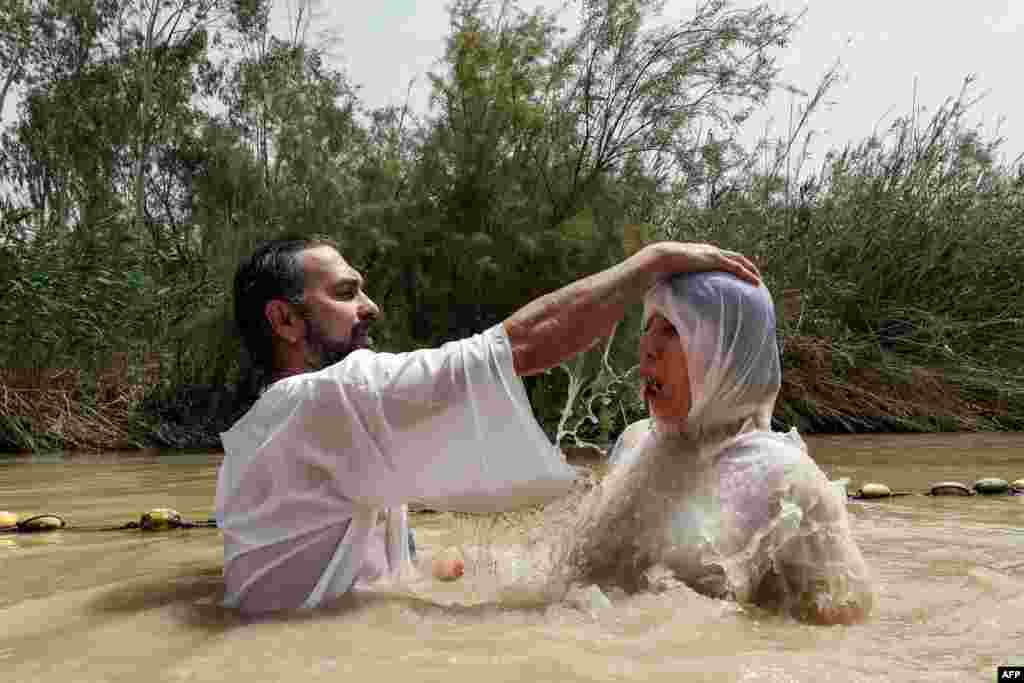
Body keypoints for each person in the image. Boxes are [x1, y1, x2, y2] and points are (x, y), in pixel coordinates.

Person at [215, 236, 760, 613]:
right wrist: (654, 262)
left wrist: (450, 570)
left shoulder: (284, 422)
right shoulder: (324, 401)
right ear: (284, 319)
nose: (371, 306)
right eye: (344, 292)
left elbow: (354, 571)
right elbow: (521, 345)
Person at [560, 271, 874, 625]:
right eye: (648, 327)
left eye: (673, 331)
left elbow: (837, 631)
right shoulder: (635, 441)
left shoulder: (785, 477)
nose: (647, 346)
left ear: (726, 351)